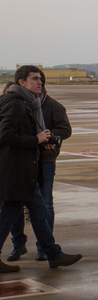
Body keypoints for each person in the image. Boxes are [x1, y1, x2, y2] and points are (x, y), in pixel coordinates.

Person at [1, 67, 82, 273]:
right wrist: (35, 140)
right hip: (17, 169)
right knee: (12, 213)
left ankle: (53, 253)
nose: (40, 82)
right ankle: (53, 253)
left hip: (24, 169)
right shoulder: (15, 104)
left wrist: (42, 141)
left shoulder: (26, 103)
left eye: (40, 79)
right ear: (21, 82)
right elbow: (5, 135)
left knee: (38, 210)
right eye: (35, 79)